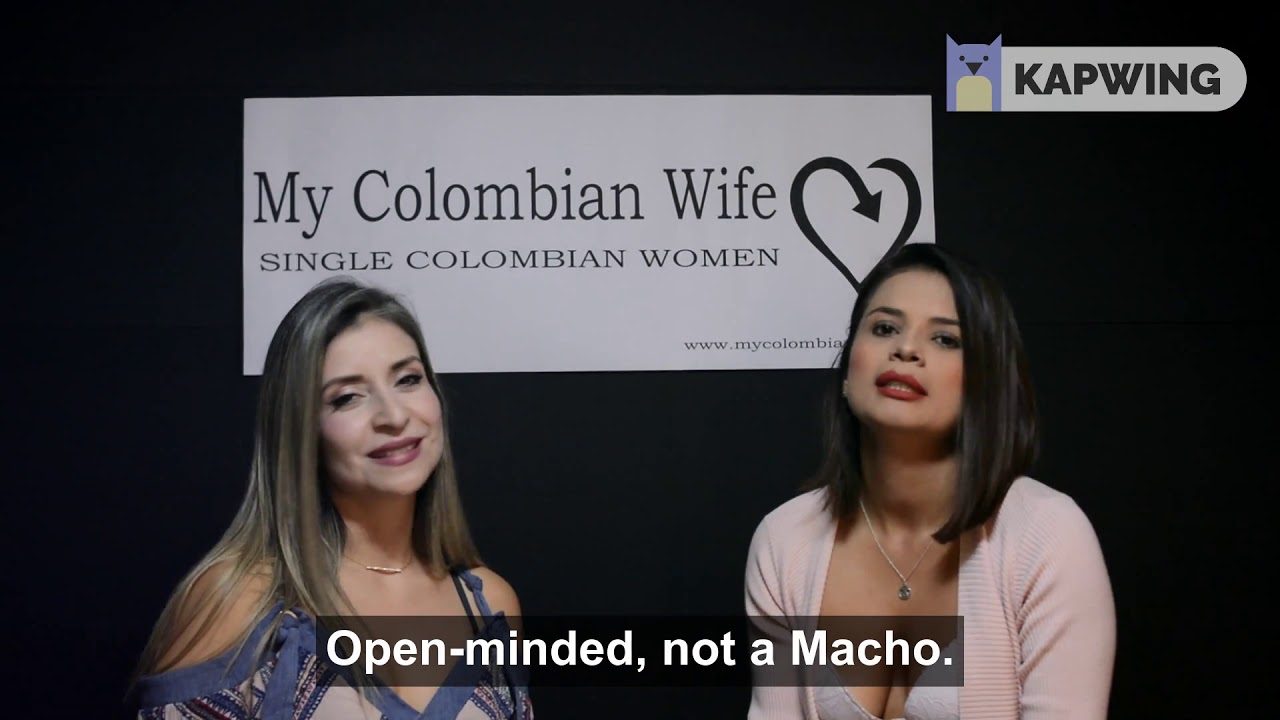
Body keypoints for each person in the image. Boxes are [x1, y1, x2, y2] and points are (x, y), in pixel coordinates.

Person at [130, 277, 533, 719]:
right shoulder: (240, 598)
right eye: (347, 398)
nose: (394, 415)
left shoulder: (490, 604)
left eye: (407, 379)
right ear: (301, 430)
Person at [744, 243, 1115, 719]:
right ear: (848, 369)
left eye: (945, 339)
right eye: (884, 328)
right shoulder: (784, 539)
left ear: (984, 383)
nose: (905, 349)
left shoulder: (1047, 534)